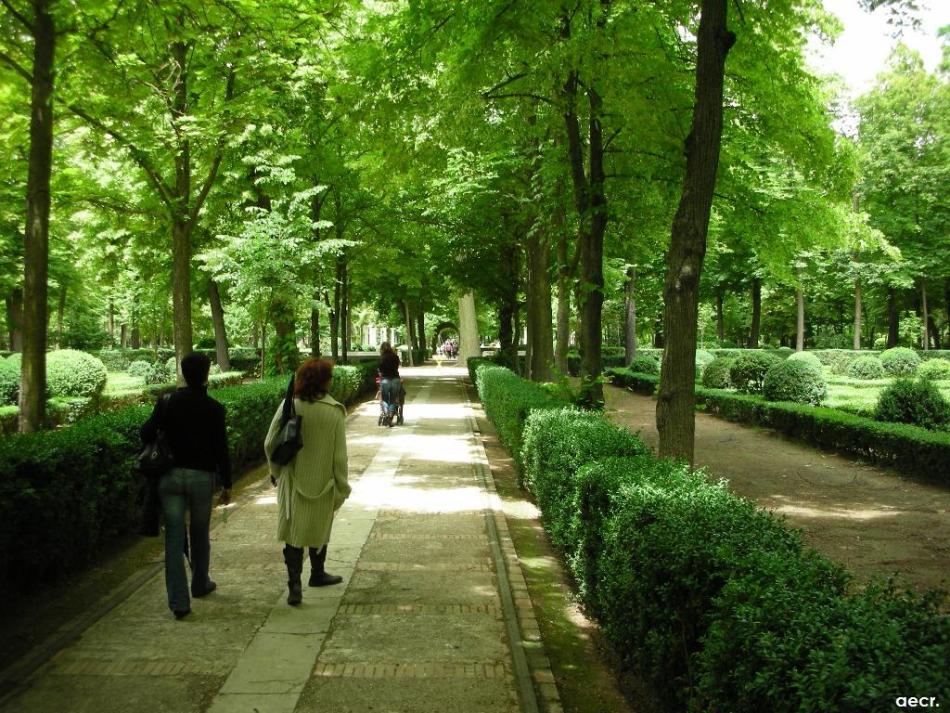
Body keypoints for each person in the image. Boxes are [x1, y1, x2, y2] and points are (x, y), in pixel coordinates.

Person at [140, 352, 231, 620]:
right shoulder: (214, 409)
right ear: (206, 374)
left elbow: (145, 433)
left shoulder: (166, 403)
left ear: (183, 372)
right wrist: (227, 483)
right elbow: (221, 449)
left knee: (174, 538)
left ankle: (179, 602)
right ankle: (200, 583)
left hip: (169, 477)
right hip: (202, 478)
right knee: (200, 533)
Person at [265, 359, 351, 606]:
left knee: (293, 533)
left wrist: (276, 471)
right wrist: (342, 487)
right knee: (319, 527)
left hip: (292, 481)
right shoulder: (334, 411)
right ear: (324, 381)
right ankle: (317, 573)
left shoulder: (289, 406)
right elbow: (339, 457)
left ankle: (294, 585)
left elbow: (270, 443)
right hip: (322, 482)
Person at [378, 342, 401, 427]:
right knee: (393, 399)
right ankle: (390, 416)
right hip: (395, 379)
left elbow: (380, 370)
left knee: (384, 399)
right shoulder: (395, 357)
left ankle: (386, 414)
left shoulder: (381, 358)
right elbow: (397, 367)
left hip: (385, 380)